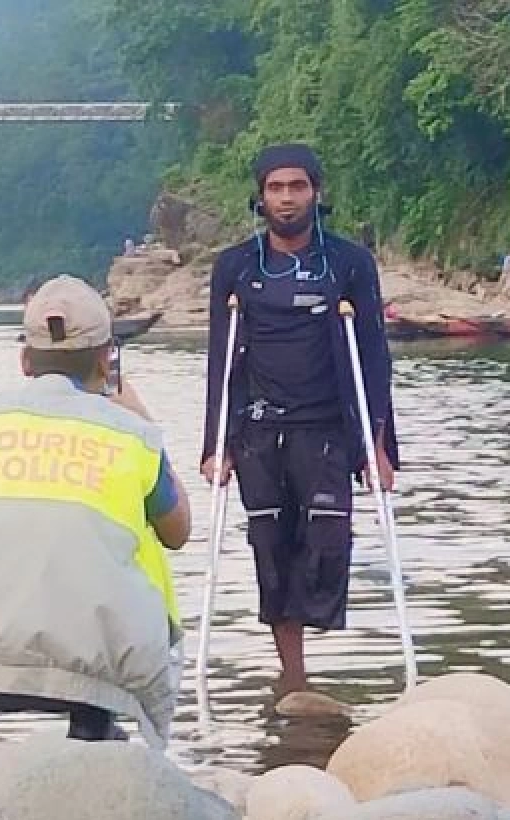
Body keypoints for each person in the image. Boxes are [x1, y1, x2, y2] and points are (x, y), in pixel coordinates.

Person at [0, 274, 192, 777]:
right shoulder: (134, 435)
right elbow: (178, 532)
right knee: (117, 575)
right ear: (106, 358)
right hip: (91, 671)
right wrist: (139, 415)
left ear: (25, 360)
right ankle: (91, 726)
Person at [200, 143, 399, 704]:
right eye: (275, 188)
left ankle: (308, 665)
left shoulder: (350, 263)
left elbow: (373, 358)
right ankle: (294, 674)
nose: (286, 198)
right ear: (260, 197)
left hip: (328, 429)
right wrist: (217, 446)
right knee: (271, 545)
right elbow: (221, 357)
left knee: (326, 545)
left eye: (297, 187)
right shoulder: (237, 266)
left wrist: (377, 448)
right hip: (259, 429)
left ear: (316, 192)